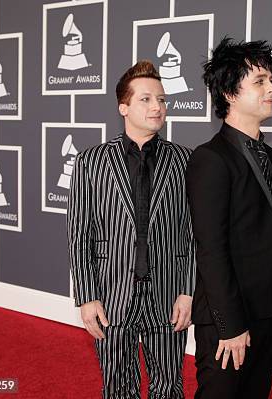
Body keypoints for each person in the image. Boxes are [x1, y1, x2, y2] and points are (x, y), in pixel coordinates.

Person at [67, 60, 195, 399]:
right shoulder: (90, 161)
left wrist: (188, 290)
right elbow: (79, 234)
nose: (157, 106)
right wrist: (87, 296)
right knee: (118, 387)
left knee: (169, 387)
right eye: (146, 99)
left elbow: (195, 233)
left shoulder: (186, 160)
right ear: (123, 106)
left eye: (163, 100)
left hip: (168, 293)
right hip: (111, 293)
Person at [185, 37, 272, 399]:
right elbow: (211, 249)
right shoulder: (210, 159)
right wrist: (230, 326)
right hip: (226, 318)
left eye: (271, 79)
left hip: (267, 313)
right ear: (230, 93)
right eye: (260, 81)